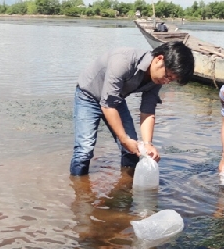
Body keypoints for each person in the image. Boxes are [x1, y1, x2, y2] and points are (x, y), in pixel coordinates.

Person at [70, 41, 194, 176]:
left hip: (116, 99)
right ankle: (80, 190)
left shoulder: (157, 80)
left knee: (133, 149)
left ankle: (126, 186)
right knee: (85, 149)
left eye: (171, 80)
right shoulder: (123, 61)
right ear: (159, 59)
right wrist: (123, 139)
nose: (166, 81)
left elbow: (147, 111)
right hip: (88, 95)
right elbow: (108, 106)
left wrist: (147, 144)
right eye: (167, 76)